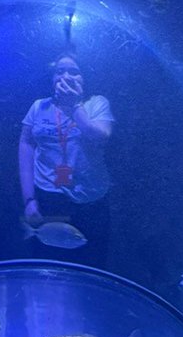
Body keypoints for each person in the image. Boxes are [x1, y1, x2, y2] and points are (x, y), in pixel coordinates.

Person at [19, 52, 114, 266]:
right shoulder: (38, 106)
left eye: (74, 71)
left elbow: (100, 136)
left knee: (91, 261)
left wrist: (74, 106)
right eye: (59, 71)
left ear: (85, 77)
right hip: (49, 196)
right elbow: (26, 146)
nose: (66, 76)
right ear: (52, 78)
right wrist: (29, 198)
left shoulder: (97, 103)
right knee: (49, 258)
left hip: (90, 197)